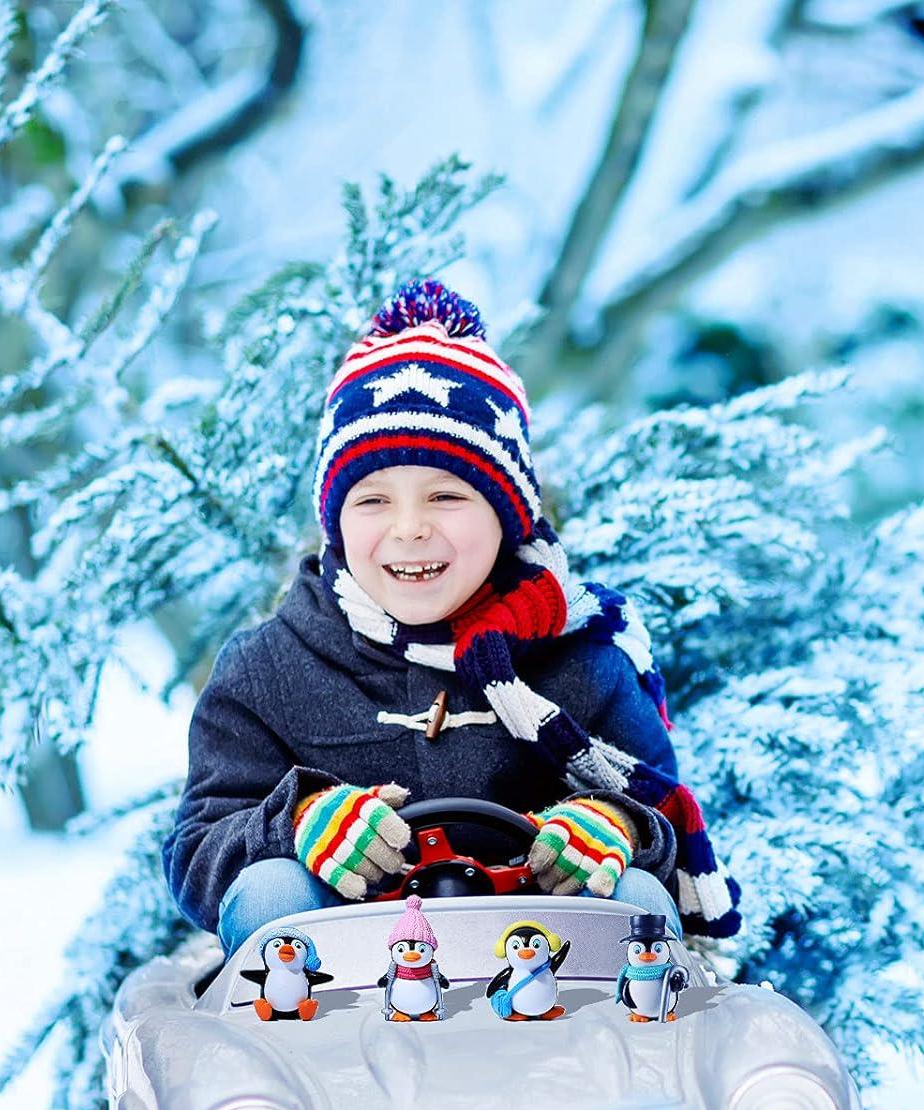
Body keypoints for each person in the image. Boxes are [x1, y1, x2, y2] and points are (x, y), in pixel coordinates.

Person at [162, 278, 741, 956]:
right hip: (332, 1011)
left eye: (446, 495)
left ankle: (646, 1045)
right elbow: (199, 847)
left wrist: (614, 825)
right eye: (373, 500)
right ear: (336, 522)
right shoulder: (271, 668)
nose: (409, 529)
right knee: (270, 895)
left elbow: (656, 812)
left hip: (544, 993)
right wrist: (296, 822)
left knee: (636, 900)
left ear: (508, 516)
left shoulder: (580, 661)